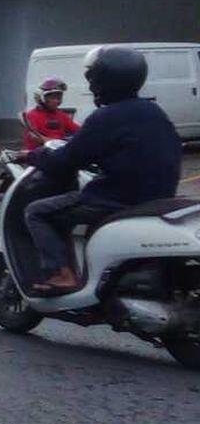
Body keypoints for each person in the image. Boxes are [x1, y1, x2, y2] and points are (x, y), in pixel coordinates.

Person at [22, 46, 181, 292]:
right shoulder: (153, 111)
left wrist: (34, 155)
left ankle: (63, 274)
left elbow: (66, 159)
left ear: (104, 80)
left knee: (37, 212)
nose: (91, 84)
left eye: (93, 78)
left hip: (118, 198)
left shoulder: (106, 117)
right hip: (159, 197)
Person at [22, 77, 79, 150]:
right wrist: (59, 143)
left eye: (59, 98)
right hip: (38, 154)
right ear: (41, 97)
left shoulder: (61, 115)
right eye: (53, 98)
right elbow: (35, 137)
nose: (57, 101)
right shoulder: (31, 115)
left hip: (57, 152)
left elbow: (79, 131)